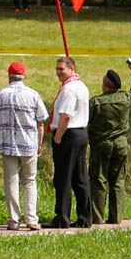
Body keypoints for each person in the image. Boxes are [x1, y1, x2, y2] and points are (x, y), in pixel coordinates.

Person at [0, 62, 49, 231]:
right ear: (24, 75)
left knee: (11, 182)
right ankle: (31, 218)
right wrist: (39, 144)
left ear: (9, 76)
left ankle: (14, 220)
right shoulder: (34, 95)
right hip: (29, 143)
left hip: (8, 144)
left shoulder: (0, 95)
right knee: (30, 181)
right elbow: (41, 122)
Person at [89, 59, 131, 225]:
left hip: (101, 146)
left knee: (99, 180)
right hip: (121, 145)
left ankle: (97, 218)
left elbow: (85, 120)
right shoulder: (126, 98)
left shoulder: (96, 102)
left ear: (105, 84)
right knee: (118, 181)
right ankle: (116, 218)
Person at [48, 56, 92, 228]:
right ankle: (84, 217)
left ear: (71, 68)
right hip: (81, 132)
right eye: (57, 69)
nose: (58, 72)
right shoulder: (81, 85)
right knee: (79, 177)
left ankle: (62, 217)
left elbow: (65, 115)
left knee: (63, 177)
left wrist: (58, 136)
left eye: (61, 69)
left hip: (68, 133)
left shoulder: (69, 89)